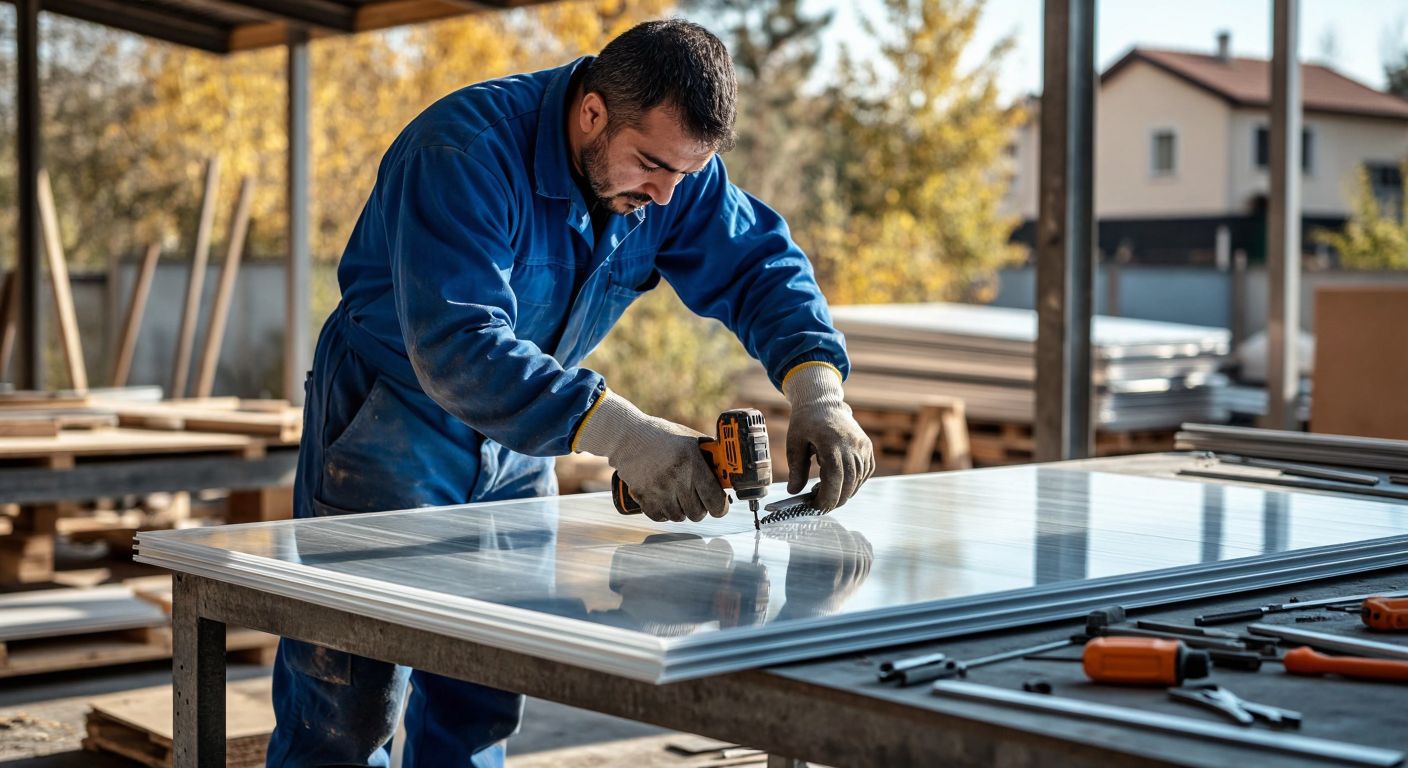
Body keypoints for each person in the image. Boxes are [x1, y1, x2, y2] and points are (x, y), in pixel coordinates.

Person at [266, 18, 875, 768]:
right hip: (392, 424)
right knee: (348, 697)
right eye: (651, 166)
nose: (664, 194)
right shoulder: (463, 152)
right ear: (591, 112)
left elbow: (757, 265)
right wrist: (626, 436)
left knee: (485, 683)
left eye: (684, 175)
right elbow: (457, 344)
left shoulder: (670, 172)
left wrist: (818, 386)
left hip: (524, 435)